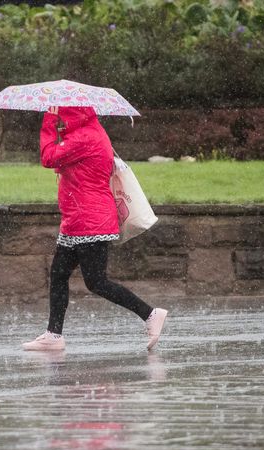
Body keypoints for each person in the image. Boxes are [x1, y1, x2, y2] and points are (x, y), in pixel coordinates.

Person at [22, 106, 167, 352]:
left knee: (96, 281)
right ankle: (53, 335)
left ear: (71, 113)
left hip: (91, 221)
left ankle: (151, 314)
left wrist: (47, 122)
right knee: (58, 273)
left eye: (60, 113)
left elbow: (48, 158)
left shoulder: (85, 137)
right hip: (77, 219)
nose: (57, 116)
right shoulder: (86, 131)